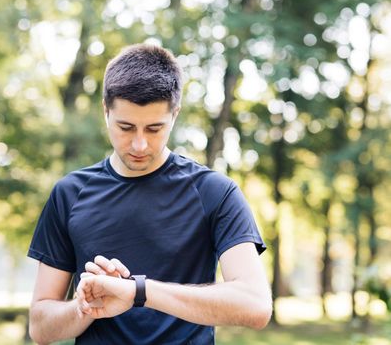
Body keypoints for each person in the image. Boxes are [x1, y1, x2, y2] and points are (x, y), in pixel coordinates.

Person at [27, 44, 272, 345]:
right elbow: (40, 328)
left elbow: (256, 305)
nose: (140, 145)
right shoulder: (69, 194)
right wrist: (85, 307)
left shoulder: (215, 192)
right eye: (126, 127)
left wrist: (137, 292)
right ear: (106, 111)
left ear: (175, 115)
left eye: (154, 128)